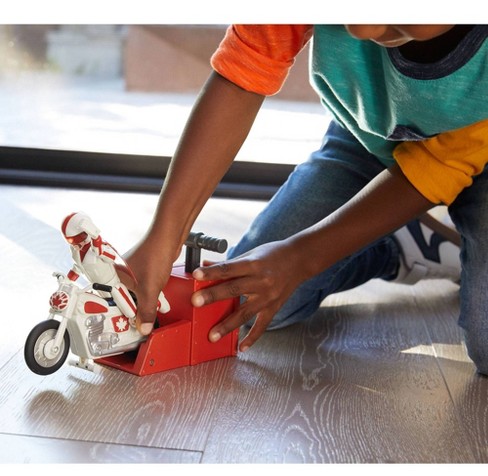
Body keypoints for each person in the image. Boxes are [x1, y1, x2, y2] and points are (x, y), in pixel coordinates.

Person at [124, 25, 488, 374]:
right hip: (371, 136)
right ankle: (399, 245)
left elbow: (439, 166)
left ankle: (379, 227)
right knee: (244, 302)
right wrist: (164, 236)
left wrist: (299, 258)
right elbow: (242, 72)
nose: (361, 30)